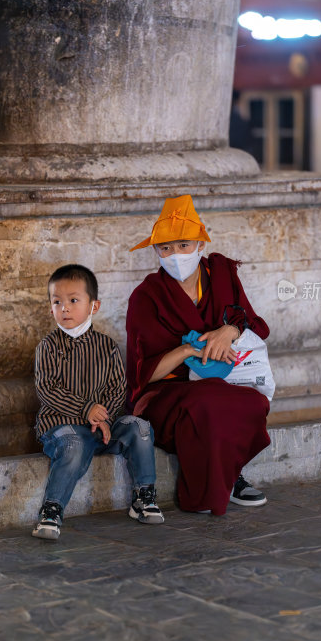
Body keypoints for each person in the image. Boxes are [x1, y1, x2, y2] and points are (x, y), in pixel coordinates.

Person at [126, 195, 271, 516]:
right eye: (165, 248)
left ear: (200, 244)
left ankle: (230, 473)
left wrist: (228, 332)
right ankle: (223, 483)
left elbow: (254, 323)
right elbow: (143, 375)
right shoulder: (146, 296)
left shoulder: (221, 275)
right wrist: (188, 349)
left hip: (224, 379)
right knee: (208, 402)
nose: (175, 255)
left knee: (254, 401)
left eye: (183, 245)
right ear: (155, 251)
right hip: (168, 393)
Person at [32, 263, 164, 540]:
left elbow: (118, 387)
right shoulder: (48, 346)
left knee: (139, 427)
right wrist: (86, 410)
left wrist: (103, 418)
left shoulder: (107, 346)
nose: (64, 308)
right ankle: (51, 510)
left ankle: (144, 496)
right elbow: (47, 389)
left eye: (73, 300)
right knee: (74, 443)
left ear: (94, 306)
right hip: (62, 427)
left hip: (103, 427)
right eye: (57, 302)